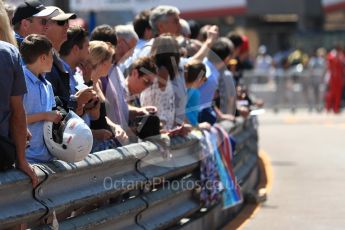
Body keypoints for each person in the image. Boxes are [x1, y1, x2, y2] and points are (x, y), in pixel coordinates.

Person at [20, 34, 63, 163]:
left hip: (48, 156)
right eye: (52, 56)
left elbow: (50, 116)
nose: (53, 60)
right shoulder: (20, 81)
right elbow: (15, 120)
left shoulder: (47, 85)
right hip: (27, 159)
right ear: (43, 58)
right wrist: (45, 115)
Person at [86, 41, 128, 151]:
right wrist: (95, 134)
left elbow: (102, 116)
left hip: (103, 146)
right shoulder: (83, 84)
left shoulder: (98, 82)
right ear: (103, 62)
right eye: (111, 61)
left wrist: (115, 127)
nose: (111, 65)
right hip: (90, 148)